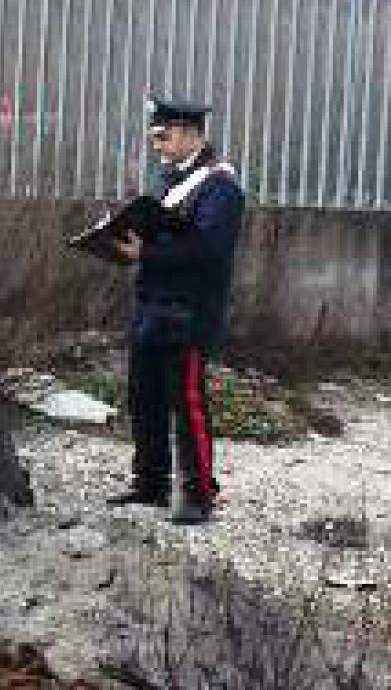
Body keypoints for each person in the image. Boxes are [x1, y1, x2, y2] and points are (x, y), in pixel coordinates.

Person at [107, 98, 245, 525]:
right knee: (144, 396)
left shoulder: (220, 187)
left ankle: (200, 494)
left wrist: (147, 251)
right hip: (154, 304)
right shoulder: (171, 181)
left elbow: (207, 248)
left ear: (189, 133)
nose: (157, 145)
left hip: (190, 309)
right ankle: (150, 482)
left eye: (163, 136)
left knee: (187, 405)